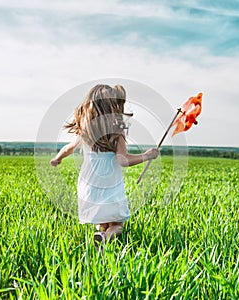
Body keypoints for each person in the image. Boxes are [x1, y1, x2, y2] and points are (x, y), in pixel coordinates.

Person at [50, 84, 159, 248]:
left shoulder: (85, 130)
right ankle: (106, 236)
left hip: (89, 186)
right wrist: (147, 156)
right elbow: (123, 160)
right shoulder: (117, 131)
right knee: (117, 225)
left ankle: (101, 245)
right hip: (110, 185)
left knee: (103, 221)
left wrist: (57, 158)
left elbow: (68, 148)